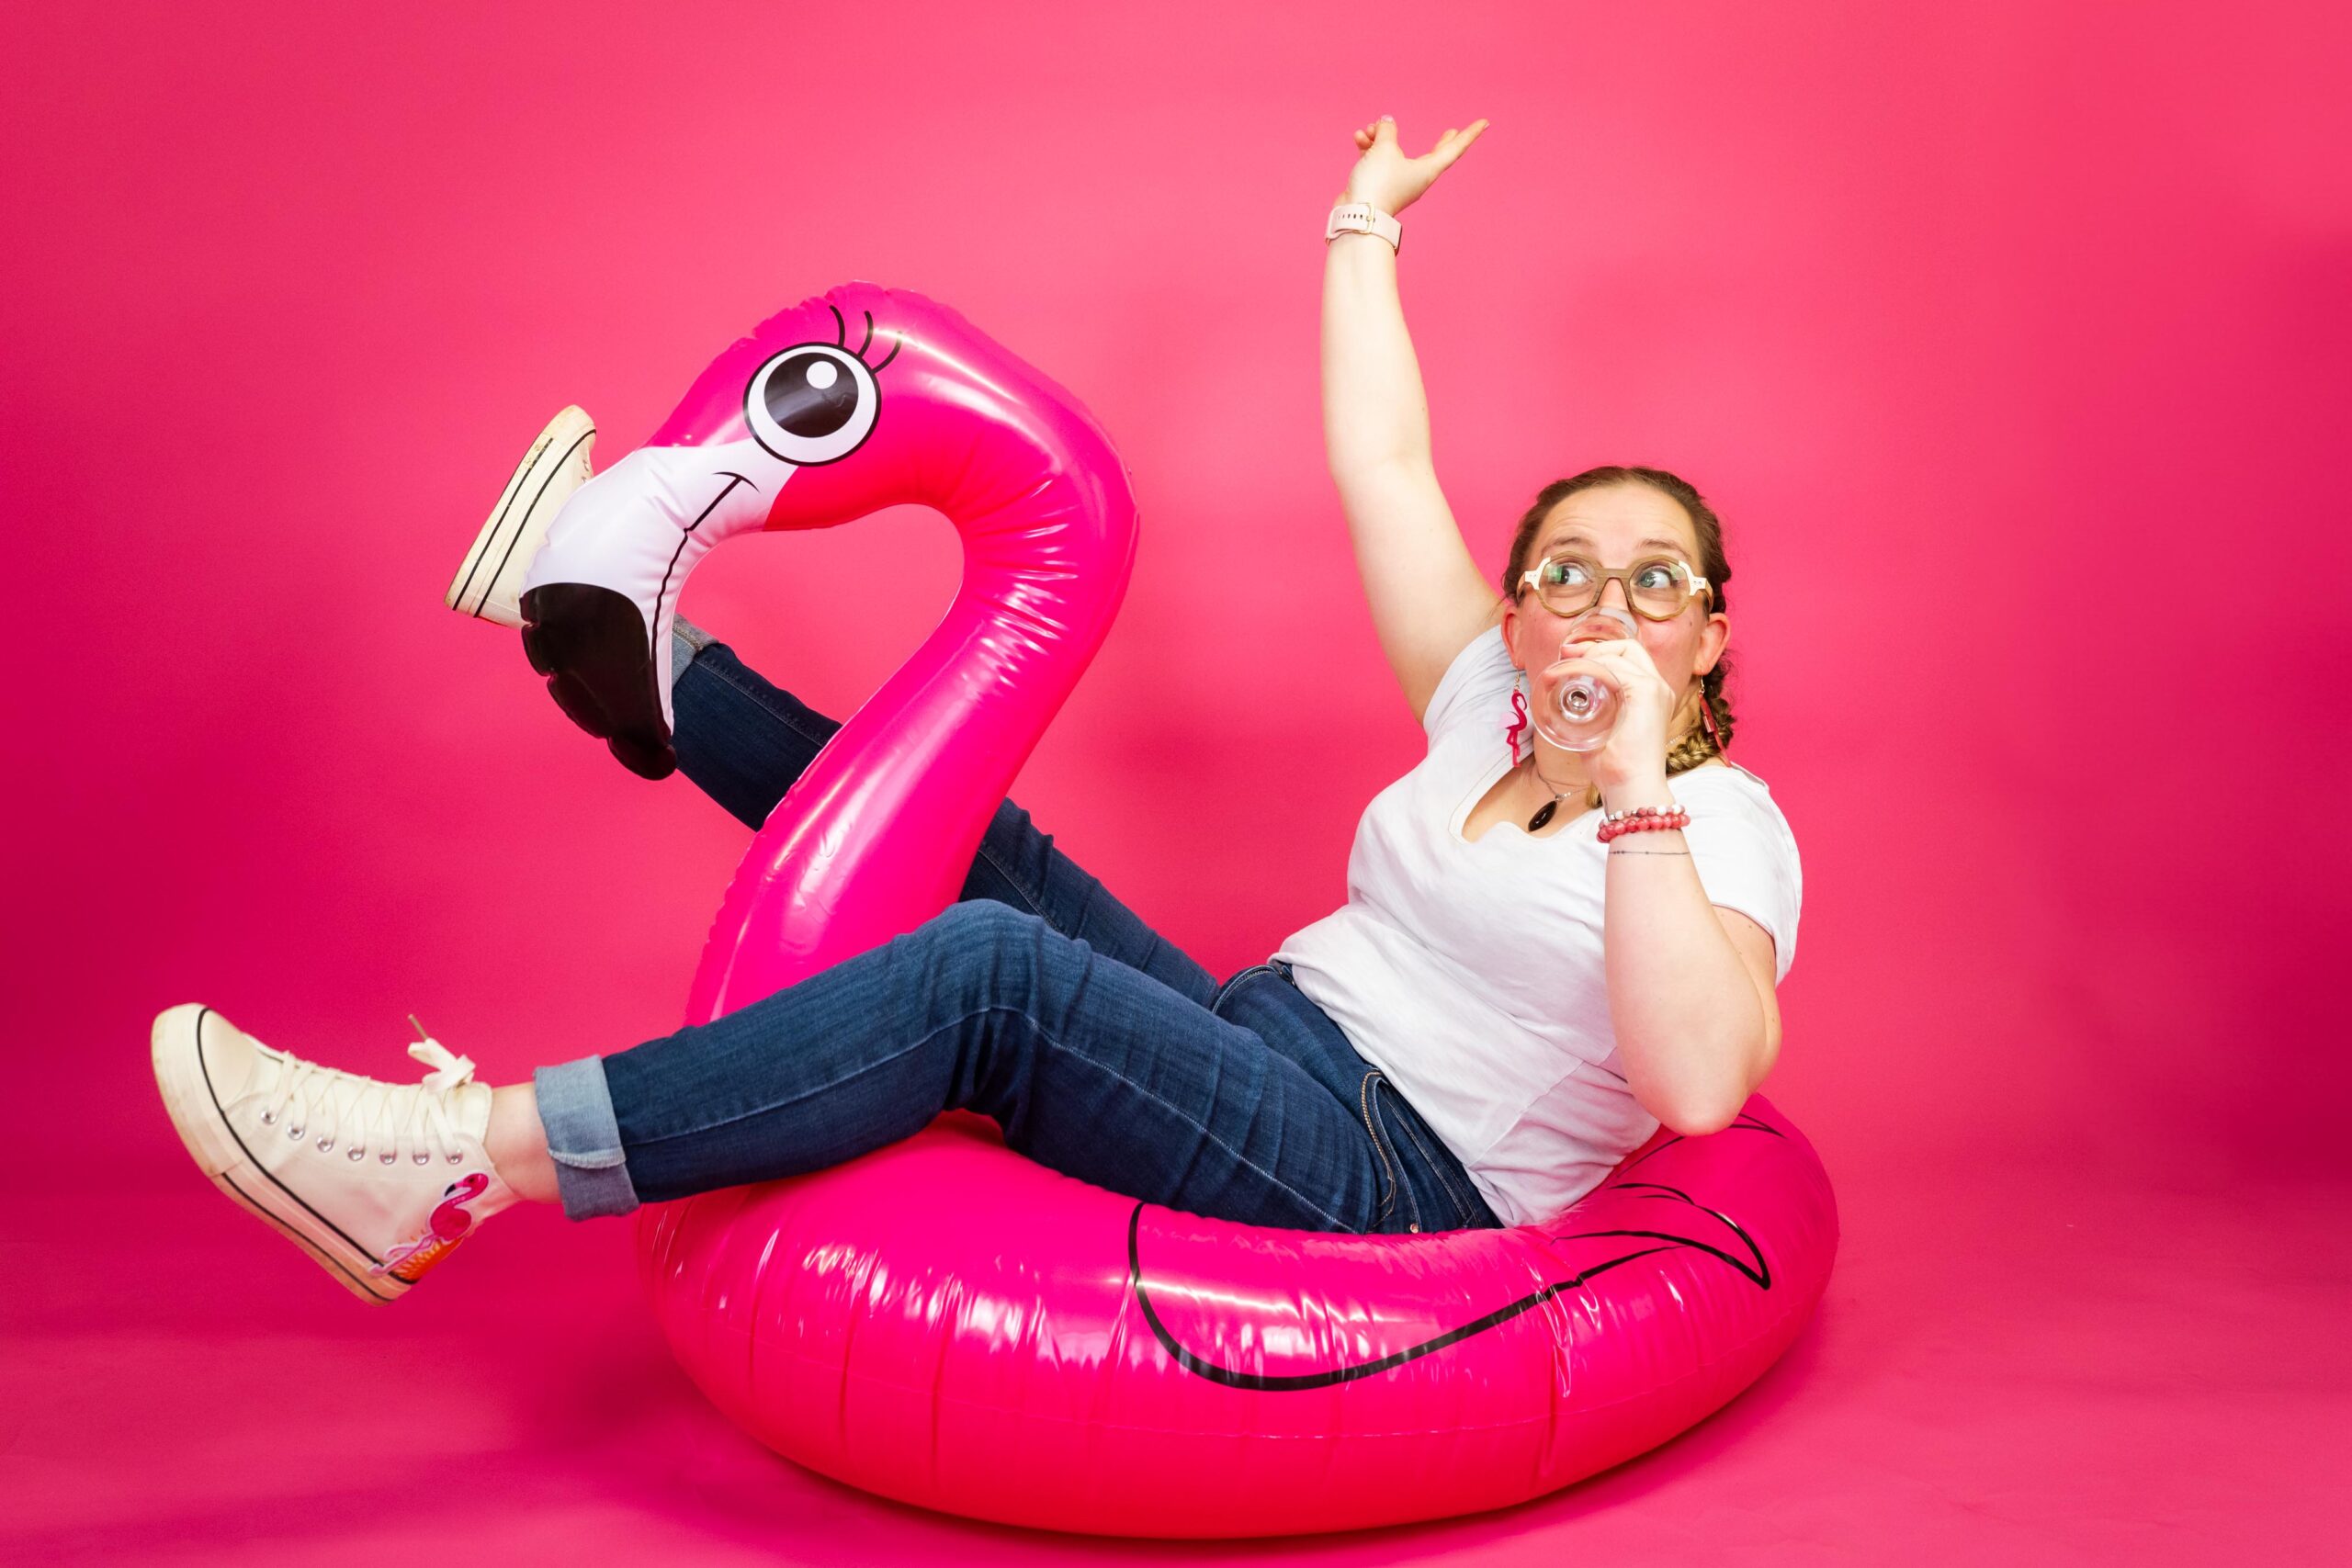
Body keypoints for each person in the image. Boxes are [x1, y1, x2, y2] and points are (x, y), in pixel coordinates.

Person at [150, 115, 1801, 1304]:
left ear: (1709, 636)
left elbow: (1701, 1085)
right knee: (979, 846)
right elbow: (1386, 465)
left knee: (991, 969)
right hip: (1266, 1030)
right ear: (1516, 612)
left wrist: (1635, 778)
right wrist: (1362, 227)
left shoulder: (1719, 823)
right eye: (1566, 570)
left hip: (1393, 1175)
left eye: (1655, 580)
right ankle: (646, 657)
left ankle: (461, 1160)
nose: (1605, 602)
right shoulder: (1484, 703)